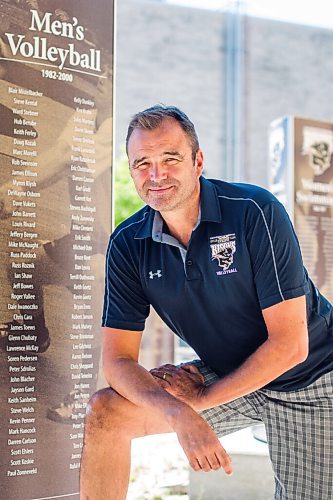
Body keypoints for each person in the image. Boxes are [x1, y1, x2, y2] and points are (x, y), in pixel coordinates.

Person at [80, 105, 333, 500]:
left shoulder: (255, 212)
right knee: (106, 412)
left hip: (312, 378)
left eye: (170, 158)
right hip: (226, 371)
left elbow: (291, 346)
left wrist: (199, 403)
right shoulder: (128, 244)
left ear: (198, 161)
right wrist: (179, 412)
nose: (156, 174)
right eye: (142, 163)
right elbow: (117, 361)